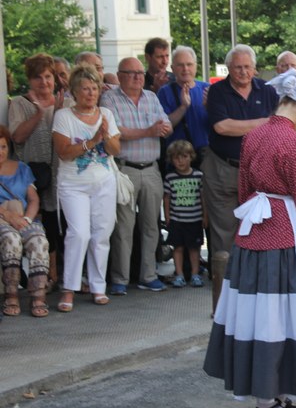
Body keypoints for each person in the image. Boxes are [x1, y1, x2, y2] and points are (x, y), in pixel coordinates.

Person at [203, 68, 296, 408]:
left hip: (253, 234)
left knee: (258, 317)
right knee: (290, 316)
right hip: (287, 237)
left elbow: (244, 190)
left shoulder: (253, 137)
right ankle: (282, 398)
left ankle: (266, 399)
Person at [203, 44, 278, 312]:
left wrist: (251, 126)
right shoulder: (218, 92)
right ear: (229, 69)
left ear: (254, 67)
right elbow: (222, 127)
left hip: (258, 171)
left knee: (257, 231)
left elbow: (280, 125)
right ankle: (223, 303)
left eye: (247, 66)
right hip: (223, 169)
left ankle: (253, 296)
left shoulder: (267, 91)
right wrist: (263, 123)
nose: (243, 71)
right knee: (224, 236)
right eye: (238, 67)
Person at [52, 64, 121, 311]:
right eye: (85, 89)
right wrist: (92, 142)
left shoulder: (106, 114)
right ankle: (69, 289)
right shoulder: (63, 116)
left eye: (94, 88)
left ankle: (98, 287)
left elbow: (115, 151)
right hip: (73, 185)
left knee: (101, 233)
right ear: (74, 92)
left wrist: (107, 136)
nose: (91, 93)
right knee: (79, 234)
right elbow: (63, 153)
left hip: (104, 181)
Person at [101, 57, 173, 294]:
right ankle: (120, 279)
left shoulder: (152, 98)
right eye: (131, 73)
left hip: (151, 168)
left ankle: (148, 275)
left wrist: (163, 128)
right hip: (126, 168)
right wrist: (149, 131)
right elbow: (116, 132)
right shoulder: (110, 98)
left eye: (140, 73)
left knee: (152, 225)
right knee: (124, 227)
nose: (137, 77)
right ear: (120, 75)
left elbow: (166, 124)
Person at [9, 53, 73, 294]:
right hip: (35, 178)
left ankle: (67, 276)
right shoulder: (20, 103)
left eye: (48, 77)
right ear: (30, 80)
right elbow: (17, 137)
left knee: (65, 227)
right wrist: (39, 113)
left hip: (63, 175)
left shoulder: (65, 102)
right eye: (38, 78)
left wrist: (60, 108)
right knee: (44, 227)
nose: (44, 82)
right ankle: (47, 276)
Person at [0, 125, 50, 318]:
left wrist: (27, 219)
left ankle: (38, 295)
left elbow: (34, 199)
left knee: (38, 239)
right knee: (11, 239)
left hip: (23, 217)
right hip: (3, 219)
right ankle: (11, 294)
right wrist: (9, 215)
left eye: (3, 147)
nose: (1, 151)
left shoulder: (22, 168)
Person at [157, 46, 210, 168]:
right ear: (173, 68)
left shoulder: (207, 89)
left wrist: (210, 107)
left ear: (196, 66)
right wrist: (183, 107)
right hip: (178, 160)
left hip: (206, 157)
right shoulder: (164, 92)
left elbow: (218, 124)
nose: (186, 69)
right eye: (180, 65)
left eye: (189, 64)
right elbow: (165, 127)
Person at [163, 140, 206, 287]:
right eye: (176, 158)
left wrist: (204, 216)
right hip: (177, 219)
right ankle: (179, 274)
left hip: (194, 218)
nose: (180, 161)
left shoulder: (199, 176)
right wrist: (167, 216)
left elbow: (203, 197)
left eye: (184, 157)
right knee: (178, 247)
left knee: (194, 248)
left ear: (191, 157)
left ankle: (195, 274)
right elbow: (167, 198)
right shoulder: (170, 177)